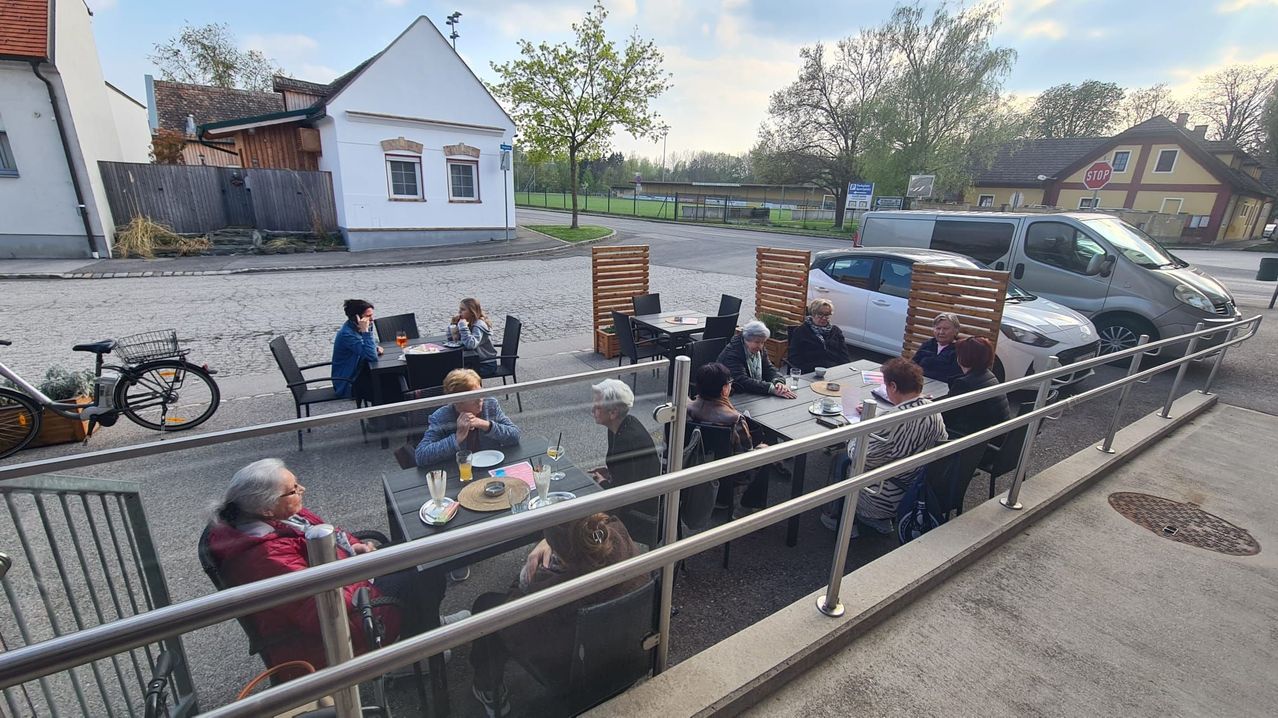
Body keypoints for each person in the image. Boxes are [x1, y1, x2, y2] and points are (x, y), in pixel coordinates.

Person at [206, 459, 466, 677]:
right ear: (265, 507)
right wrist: (360, 569)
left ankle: (424, 625)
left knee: (415, 553)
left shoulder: (277, 518)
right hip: (341, 619)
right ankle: (404, 657)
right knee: (425, 572)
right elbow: (325, 610)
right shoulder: (266, 557)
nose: (302, 489)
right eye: (293, 489)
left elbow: (330, 532)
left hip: (346, 579)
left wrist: (356, 546)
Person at [468, 513, 646, 717]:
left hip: (579, 676)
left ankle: (488, 687)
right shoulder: (620, 535)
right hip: (633, 657)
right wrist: (552, 542)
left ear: (558, 554)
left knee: (484, 606)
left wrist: (524, 579)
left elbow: (513, 625)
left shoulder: (552, 592)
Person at [824, 358, 948, 537]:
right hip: (918, 483)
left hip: (887, 493)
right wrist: (877, 417)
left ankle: (839, 517)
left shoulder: (894, 421)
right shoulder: (933, 410)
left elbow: (861, 458)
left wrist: (852, 433)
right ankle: (873, 519)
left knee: (841, 459)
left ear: (893, 387)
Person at [688, 362, 771, 517]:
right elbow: (746, 454)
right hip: (727, 478)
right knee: (765, 451)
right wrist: (762, 449)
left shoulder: (686, 408)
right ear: (724, 389)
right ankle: (746, 507)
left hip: (694, 470)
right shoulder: (735, 419)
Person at [415, 369, 521, 467]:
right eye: (473, 396)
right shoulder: (441, 417)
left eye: (481, 392)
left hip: (491, 466)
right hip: (459, 472)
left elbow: (515, 435)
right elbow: (421, 456)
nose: (480, 399)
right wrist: (457, 438)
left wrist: (486, 425)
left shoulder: (490, 405)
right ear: (457, 402)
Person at [588, 378, 660, 489]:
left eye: (597, 407)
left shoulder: (627, 440)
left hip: (640, 503)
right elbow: (629, 473)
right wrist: (609, 472)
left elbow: (623, 494)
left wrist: (602, 482)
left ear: (613, 412)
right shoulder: (622, 424)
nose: (592, 410)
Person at [942, 337, 1011, 439]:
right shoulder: (990, 376)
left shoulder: (965, 384)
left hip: (975, 444)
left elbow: (946, 416)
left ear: (963, 358)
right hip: (996, 438)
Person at [716, 321, 796, 398]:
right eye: (757, 342)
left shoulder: (759, 349)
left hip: (753, 393)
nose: (760, 346)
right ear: (746, 339)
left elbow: (768, 368)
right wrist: (771, 389)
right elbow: (741, 380)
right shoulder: (732, 353)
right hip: (734, 395)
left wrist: (778, 382)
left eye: (763, 342)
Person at [331, 299, 383, 399]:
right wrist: (366, 332)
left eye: (372, 315)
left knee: (393, 378)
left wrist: (373, 346)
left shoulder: (355, 328)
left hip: (359, 373)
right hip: (349, 383)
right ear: (356, 317)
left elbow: (372, 344)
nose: (372, 319)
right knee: (389, 385)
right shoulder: (347, 334)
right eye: (368, 316)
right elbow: (372, 357)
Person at [787, 299, 849, 374]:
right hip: (810, 372)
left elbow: (844, 356)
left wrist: (842, 371)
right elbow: (793, 357)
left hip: (833, 371)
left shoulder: (836, 331)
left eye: (827, 315)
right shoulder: (800, 331)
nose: (824, 318)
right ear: (813, 314)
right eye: (820, 314)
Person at [448, 298, 500, 378]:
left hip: (486, 365)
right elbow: (451, 339)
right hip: (473, 361)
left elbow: (470, 344)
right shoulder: (468, 322)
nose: (459, 312)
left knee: (456, 377)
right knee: (449, 369)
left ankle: (470, 390)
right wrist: (453, 325)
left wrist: (463, 327)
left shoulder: (478, 325)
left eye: (463, 310)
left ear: (472, 312)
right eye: (459, 309)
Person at [912, 313, 963, 383]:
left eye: (946, 329)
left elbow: (954, 376)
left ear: (956, 331)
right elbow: (912, 364)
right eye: (938, 328)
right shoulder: (928, 344)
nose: (941, 332)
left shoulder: (959, 350)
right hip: (919, 384)